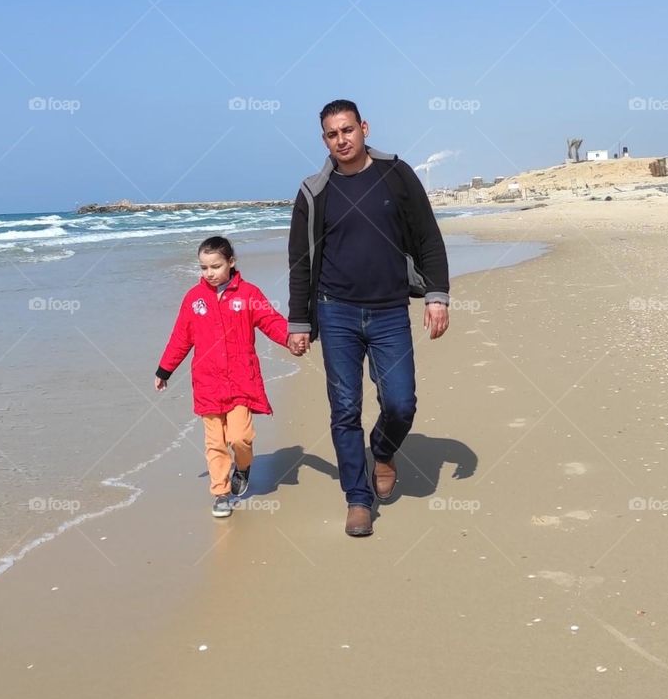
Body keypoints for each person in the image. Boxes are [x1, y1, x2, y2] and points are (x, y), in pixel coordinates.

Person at [287, 101, 450, 538]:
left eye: (347, 130)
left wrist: (437, 295)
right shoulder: (313, 191)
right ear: (324, 139)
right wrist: (299, 322)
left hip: (390, 310)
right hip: (335, 311)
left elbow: (428, 235)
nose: (341, 139)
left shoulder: (396, 174)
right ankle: (358, 500)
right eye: (331, 134)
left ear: (363, 128)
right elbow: (300, 261)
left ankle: (382, 449)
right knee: (344, 410)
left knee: (401, 402)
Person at [155, 235, 293, 518]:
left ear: (231, 262)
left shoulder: (249, 294)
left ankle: (242, 467)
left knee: (240, 438)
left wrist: (290, 339)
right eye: (204, 268)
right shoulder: (194, 300)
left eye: (216, 266)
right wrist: (164, 369)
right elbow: (181, 337)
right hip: (207, 383)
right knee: (215, 442)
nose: (210, 273)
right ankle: (221, 492)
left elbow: (270, 320)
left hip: (242, 380)